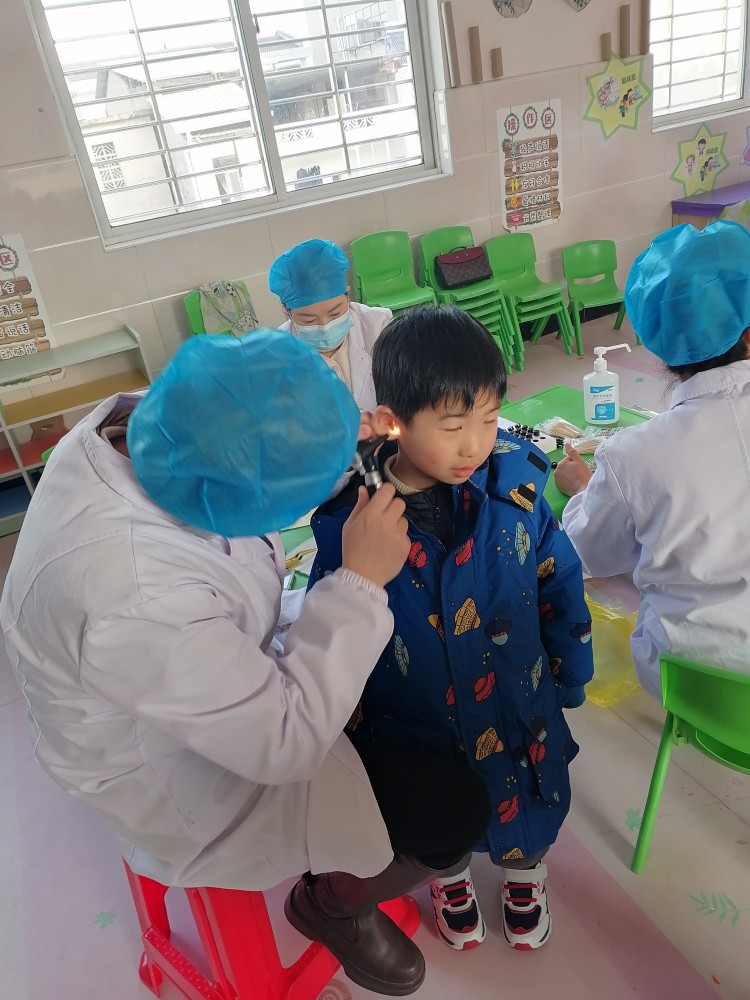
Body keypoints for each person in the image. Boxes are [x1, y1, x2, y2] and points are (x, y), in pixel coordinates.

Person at [0, 329, 492, 997]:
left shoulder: (167, 426)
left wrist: (327, 435)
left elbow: (253, 431)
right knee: (452, 810)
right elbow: (283, 744)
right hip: (168, 765)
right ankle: (334, 904)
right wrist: (359, 582)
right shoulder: (131, 594)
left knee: (402, 698)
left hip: (198, 663)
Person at [308, 305, 593, 953]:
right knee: (443, 817)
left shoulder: (516, 491)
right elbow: (333, 619)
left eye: (489, 420)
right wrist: (346, 724)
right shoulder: (356, 520)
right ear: (393, 422)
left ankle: (525, 877)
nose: (475, 445)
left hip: (517, 700)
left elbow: (559, 580)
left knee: (529, 798)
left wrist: (570, 671)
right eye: (453, 425)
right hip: (416, 716)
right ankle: (451, 879)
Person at [554, 220, 750, 700]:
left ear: (662, 348)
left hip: (696, 685)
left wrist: (583, 490)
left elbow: (588, 555)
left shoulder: (634, 454)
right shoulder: (635, 454)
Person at [269, 238, 391, 411]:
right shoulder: (279, 352)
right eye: (309, 320)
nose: (325, 326)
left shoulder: (378, 326)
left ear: (347, 295)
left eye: (335, 313)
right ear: (286, 310)